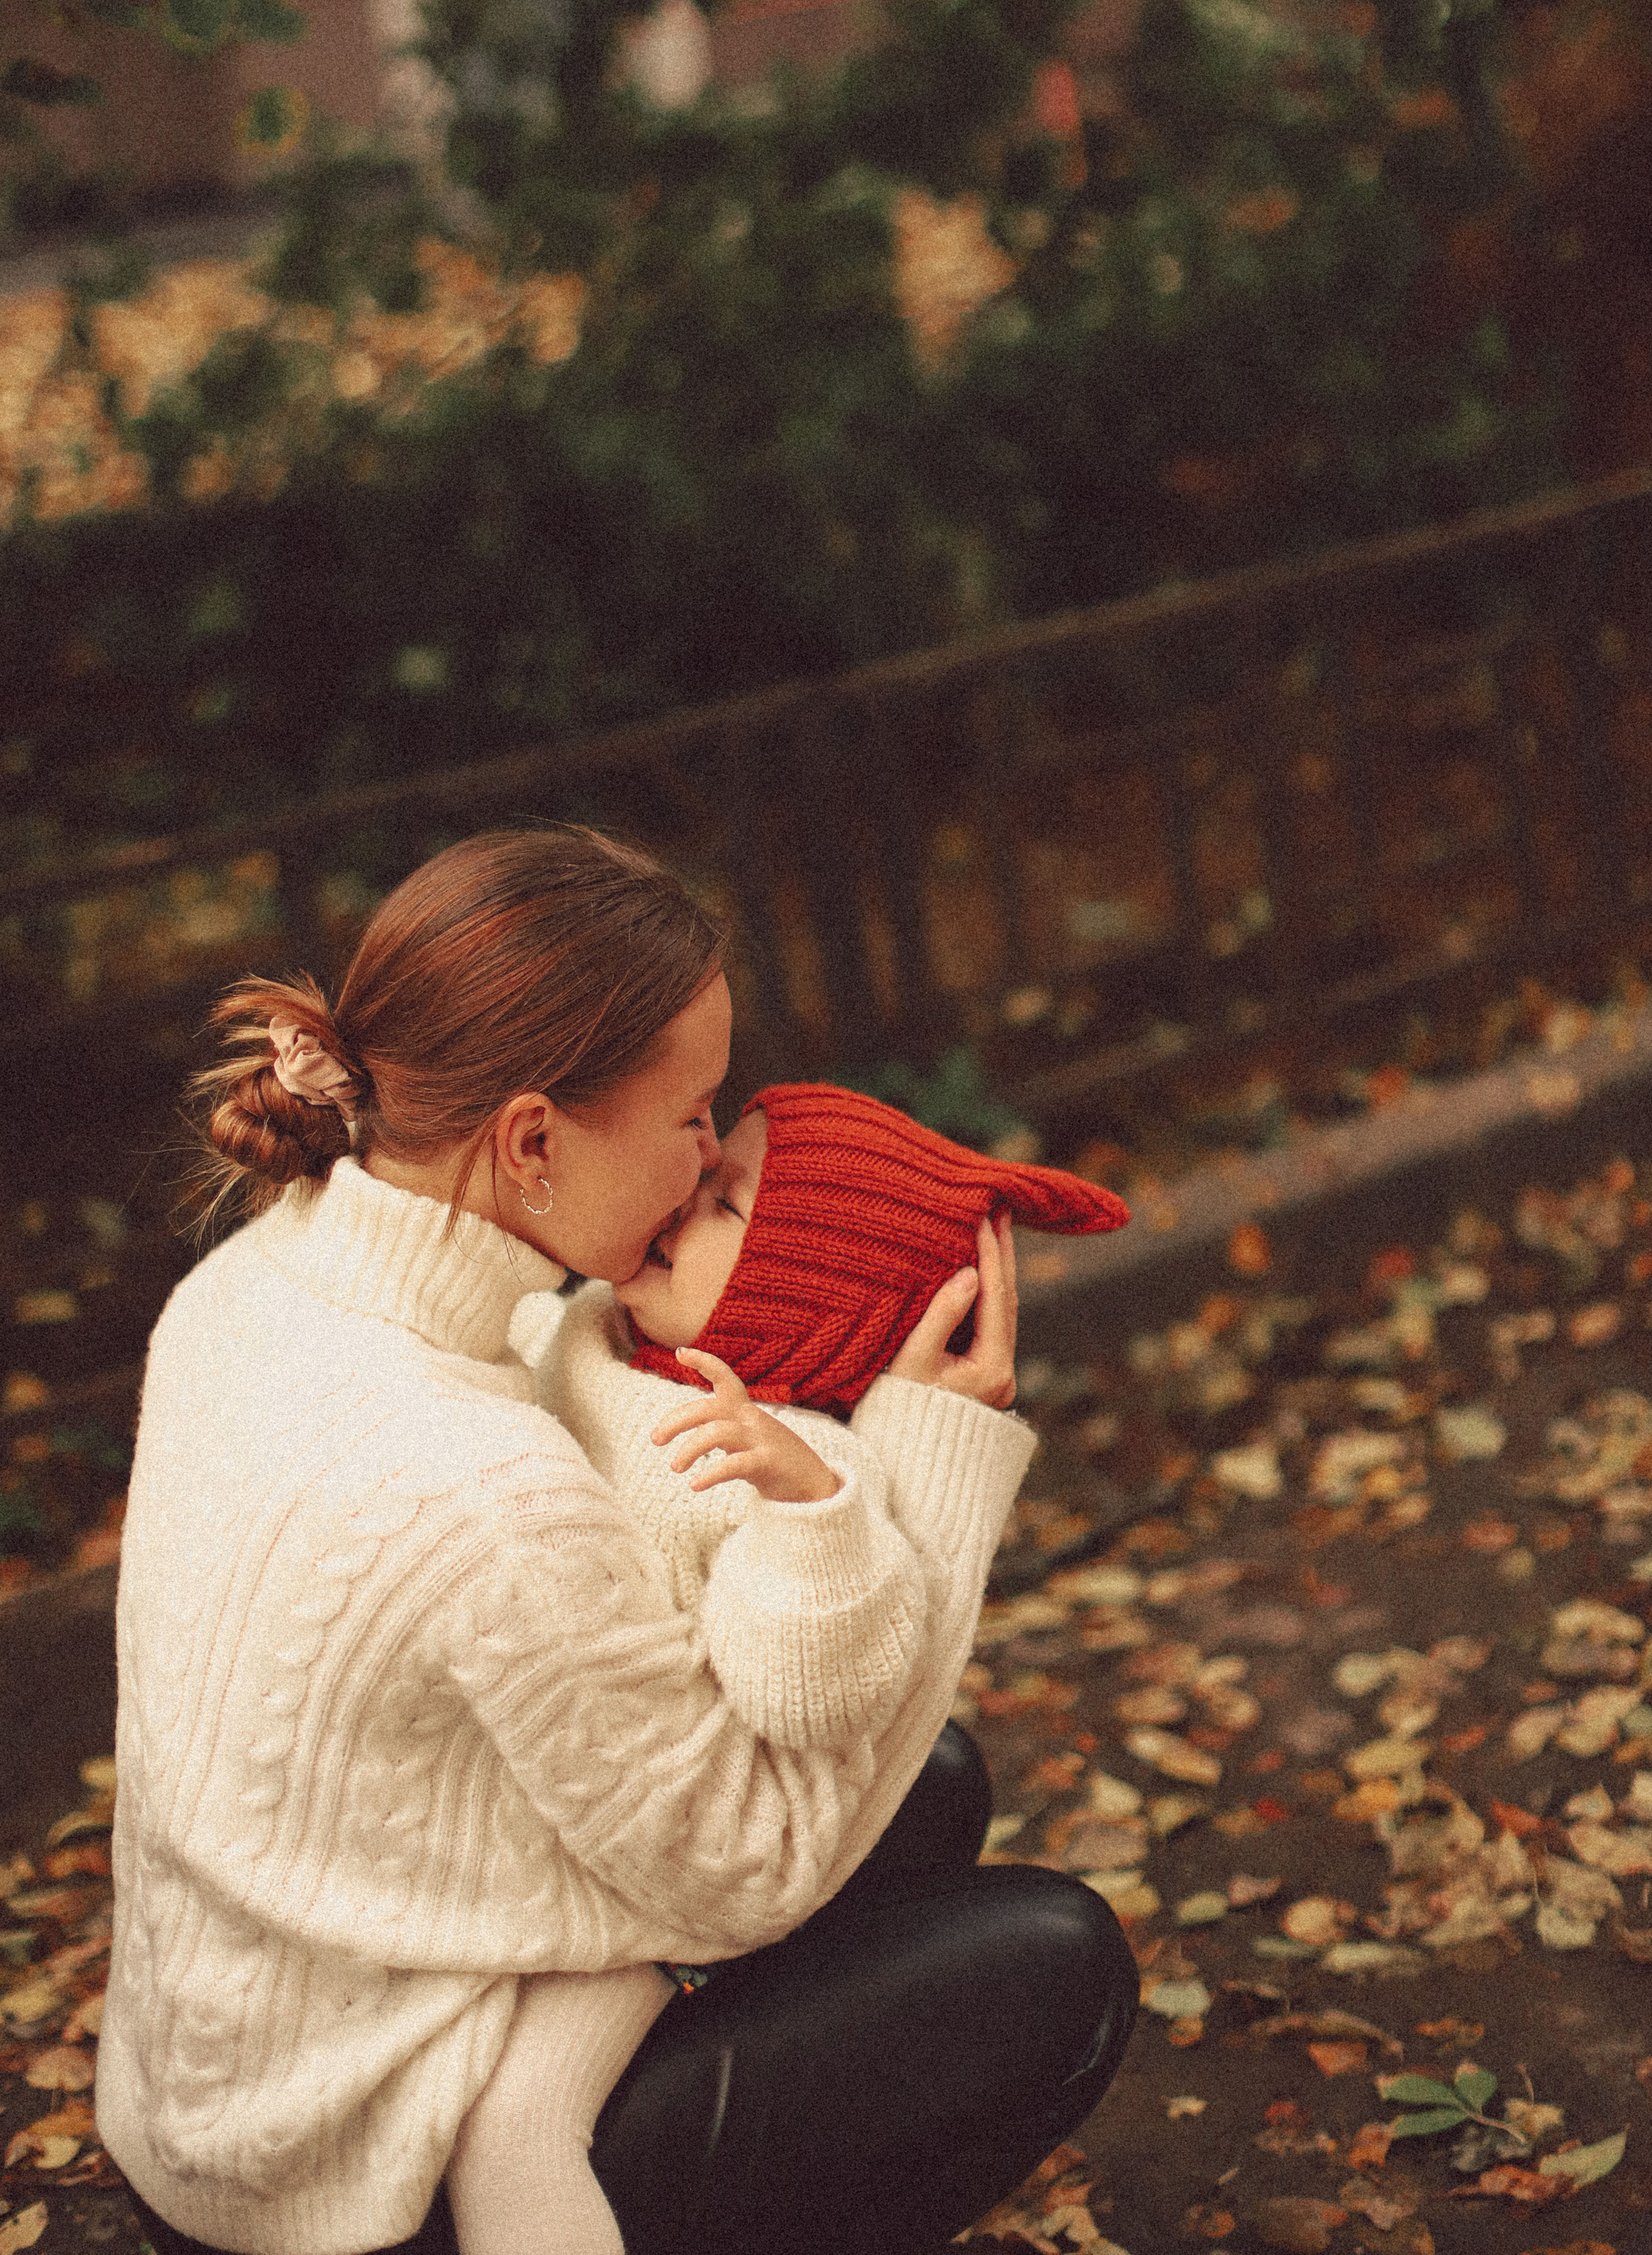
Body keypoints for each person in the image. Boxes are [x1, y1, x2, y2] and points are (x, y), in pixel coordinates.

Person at [93, 827, 1137, 2255]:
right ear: (532, 1141)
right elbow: (752, 1869)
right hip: (338, 2170)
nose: (711, 1154)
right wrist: (931, 1460)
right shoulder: (479, 1486)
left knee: (926, 1786)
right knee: (1055, 1966)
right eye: (693, 1116)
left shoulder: (247, 1286)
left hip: (216, 2076)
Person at [475, 1081, 1132, 2255]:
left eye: (728, 1201)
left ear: (806, 1297)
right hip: (535, 1822)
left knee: (523, 2132)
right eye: (707, 1154)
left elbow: (806, 1695)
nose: (687, 1186)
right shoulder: (588, 1330)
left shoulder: (802, 1468)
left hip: (632, 1891)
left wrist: (809, 1509)